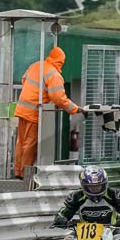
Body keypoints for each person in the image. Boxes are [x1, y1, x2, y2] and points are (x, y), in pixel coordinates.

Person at [14, 46, 81, 180]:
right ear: (60, 61)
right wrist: (75, 109)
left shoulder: (36, 65)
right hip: (33, 112)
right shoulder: (53, 74)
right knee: (30, 144)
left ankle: (18, 171)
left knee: (20, 142)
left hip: (22, 109)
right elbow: (58, 98)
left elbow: (24, 80)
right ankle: (25, 174)